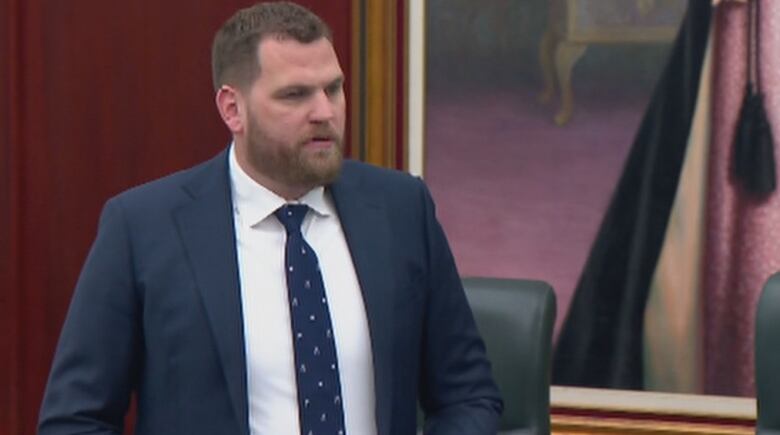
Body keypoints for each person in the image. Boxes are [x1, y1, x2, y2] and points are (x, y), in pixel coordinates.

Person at [38, 2, 502, 434]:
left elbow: (468, 393)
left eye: (333, 88)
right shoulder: (142, 228)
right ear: (232, 108)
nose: (325, 112)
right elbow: (75, 419)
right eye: (295, 95)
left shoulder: (401, 208)